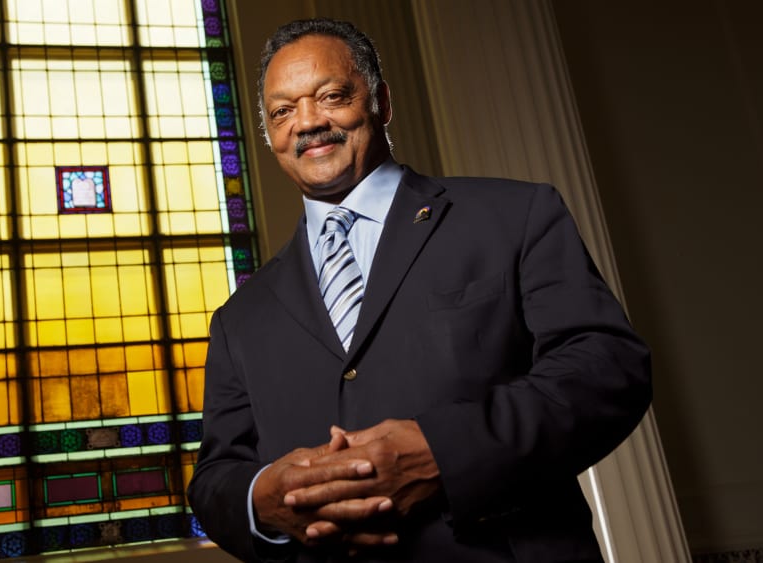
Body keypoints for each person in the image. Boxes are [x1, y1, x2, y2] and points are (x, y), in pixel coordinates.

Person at [186, 17, 651, 563]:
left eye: (331, 96)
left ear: (381, 102)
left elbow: (606, 369)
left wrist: (443, 452)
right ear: (269, 135)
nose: (308, 123)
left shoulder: (513, 217)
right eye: (283, 112)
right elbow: (216, 476)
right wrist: (260, 500)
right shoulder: (240, 317)